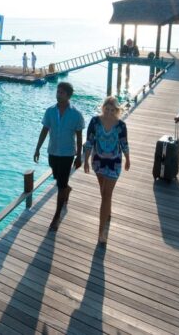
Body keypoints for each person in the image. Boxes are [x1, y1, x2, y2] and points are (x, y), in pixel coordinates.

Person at [34, 82, 85, 231]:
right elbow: (44, 130)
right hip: (53, 152)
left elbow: (79, 136)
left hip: (67, 154)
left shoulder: (76, 114)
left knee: (60, 184)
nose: (58, 94)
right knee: (58, 178)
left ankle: (56, 216)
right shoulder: (50, 111)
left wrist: (79, 156)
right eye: (58, 92)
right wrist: (37, 149)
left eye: (61, 92)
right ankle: (66, 189)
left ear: (68, 95)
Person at [83, 96, 130, 245]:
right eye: (107, 109)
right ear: (103, 108)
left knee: (106, 194)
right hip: (98, 162)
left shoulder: (121, 125)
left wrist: (128, 159)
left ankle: (101, 232)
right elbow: (89, 141)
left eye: (112, 110)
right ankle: (107, 211)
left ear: (117, 110)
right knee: (103, 192)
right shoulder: (95, 121)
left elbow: (124, 143)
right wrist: (86, 160)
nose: (109, 112)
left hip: (114, 163)